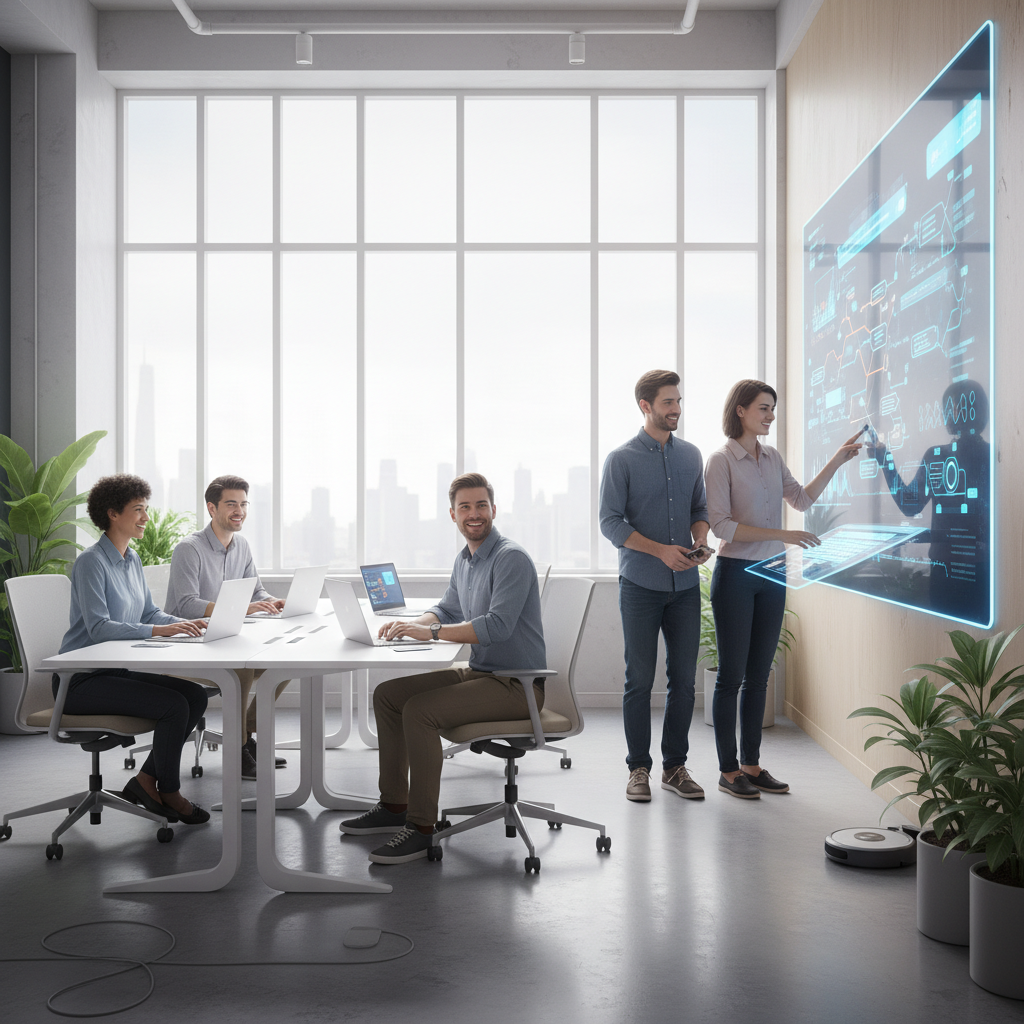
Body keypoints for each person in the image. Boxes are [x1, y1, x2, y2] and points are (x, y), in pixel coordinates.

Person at [339, 472, 545, 865]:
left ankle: (421, 828)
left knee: (420, 711)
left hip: (517, 685)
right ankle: (394, 804)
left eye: (481, 505)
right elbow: (448, 608)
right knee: (389, 696)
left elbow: (497, 627)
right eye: (465, 507)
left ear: (494, 509)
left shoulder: (510, 558)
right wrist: (413, 625)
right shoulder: (466, 560)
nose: (474, 513)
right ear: (453, 514)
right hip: (484, 673)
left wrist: (430, 632)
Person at [704, 380, 862, 798]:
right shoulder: (720, 461)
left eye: (772, 408)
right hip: (736, 574)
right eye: (763, 408)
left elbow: (802, 500)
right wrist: (783, 534)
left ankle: (751, 765)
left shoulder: (772, 457)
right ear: (740, 410)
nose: (770, 415)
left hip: (771, 575)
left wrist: (837, 460)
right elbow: (721, 526)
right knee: (731, 677)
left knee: (759, 677)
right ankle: (728, 770)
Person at [56, 474, 211, 824]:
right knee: (173, 706)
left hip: (114, 671)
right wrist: (159, 630)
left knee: (195, 696)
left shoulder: (133, 559)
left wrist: (187, 625)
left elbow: (148, 613)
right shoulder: (91, 562)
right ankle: (169, 791)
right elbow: (99, 628)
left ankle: (145, 780)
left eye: (146, 509)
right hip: (80, 681)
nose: (145, 517)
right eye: (138, 510)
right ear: (113, 514)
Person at [599, 369, 712, 804]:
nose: (676, 409)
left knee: (683, 681)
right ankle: (638, 769)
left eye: (678, 401)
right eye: (668, 402)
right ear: (645, 406)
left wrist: (700, 539)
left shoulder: (691, 456)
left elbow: (699, 508)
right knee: (639, 680)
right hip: (640, 585)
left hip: (685, 586)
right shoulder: (621, 460)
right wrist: (660, 551)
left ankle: (674, 768)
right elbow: (610, 522)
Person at [165, 474, 289, 780]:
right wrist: (241, 608)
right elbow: (186, 605)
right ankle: (238, 746)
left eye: (244, 504)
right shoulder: (189, 549)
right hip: (189, 643)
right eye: (231, 504)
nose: (240, 511)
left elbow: (256, 592)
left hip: (226, 639)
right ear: (212, 508)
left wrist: (273, 602)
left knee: (286, 662)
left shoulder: (241, 545)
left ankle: (246, 733)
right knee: (241, 669)